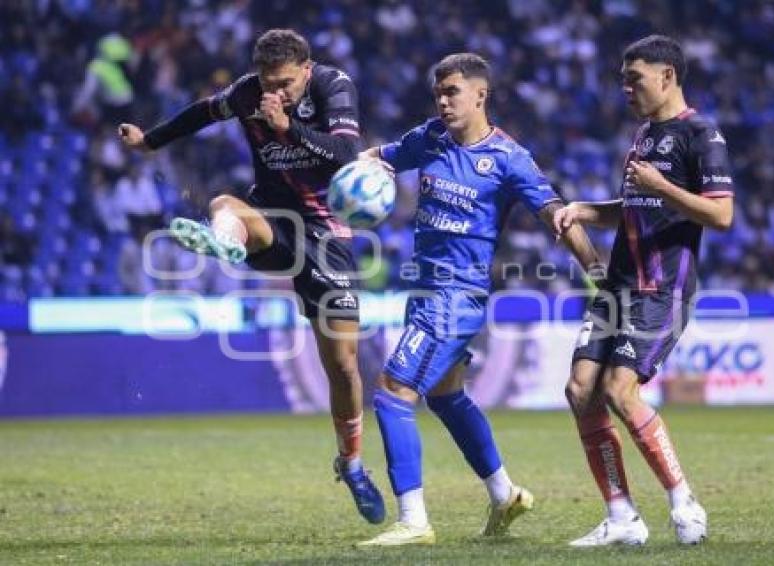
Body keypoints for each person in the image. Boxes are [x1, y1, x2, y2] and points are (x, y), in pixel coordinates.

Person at [118, 28, 385, 525]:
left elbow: (348, 155)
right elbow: (202, 113)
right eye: (268, 83)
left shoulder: (333, 86)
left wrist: (289, 128)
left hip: (326, 233)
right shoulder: (247, 94)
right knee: (225, 201)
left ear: (306, 70)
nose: (274, 92)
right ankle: (226, 237)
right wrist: (149, 141)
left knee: (343, 365)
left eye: (285, 83)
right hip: (272, 222)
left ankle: (351, 463)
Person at [356, 53, 603, 547]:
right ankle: (504, 494)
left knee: (392, 392)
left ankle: (414, 520)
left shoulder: (509, 159)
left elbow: (557, 215)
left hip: (455, 296)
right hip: (423, 291)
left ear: (480, 95)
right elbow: (380, 156)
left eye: (452, 92)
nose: (443, 102)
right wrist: (356, 168)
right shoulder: (430, 138)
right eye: (438, 94)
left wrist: (599, 272)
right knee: (445, 396)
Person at [561, 35, 734, 546]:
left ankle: (684, 502)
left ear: (667, 76)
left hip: (661, 287)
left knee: (619, 390)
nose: (625, 88)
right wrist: (587, 211)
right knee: (580, 390)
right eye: (623, 80)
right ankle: (621, 517)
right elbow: (637, 207)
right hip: (618, 284)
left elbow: (721, 214)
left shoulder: (701, 134)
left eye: (633, 79)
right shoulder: (643, 136)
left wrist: (664, 187)